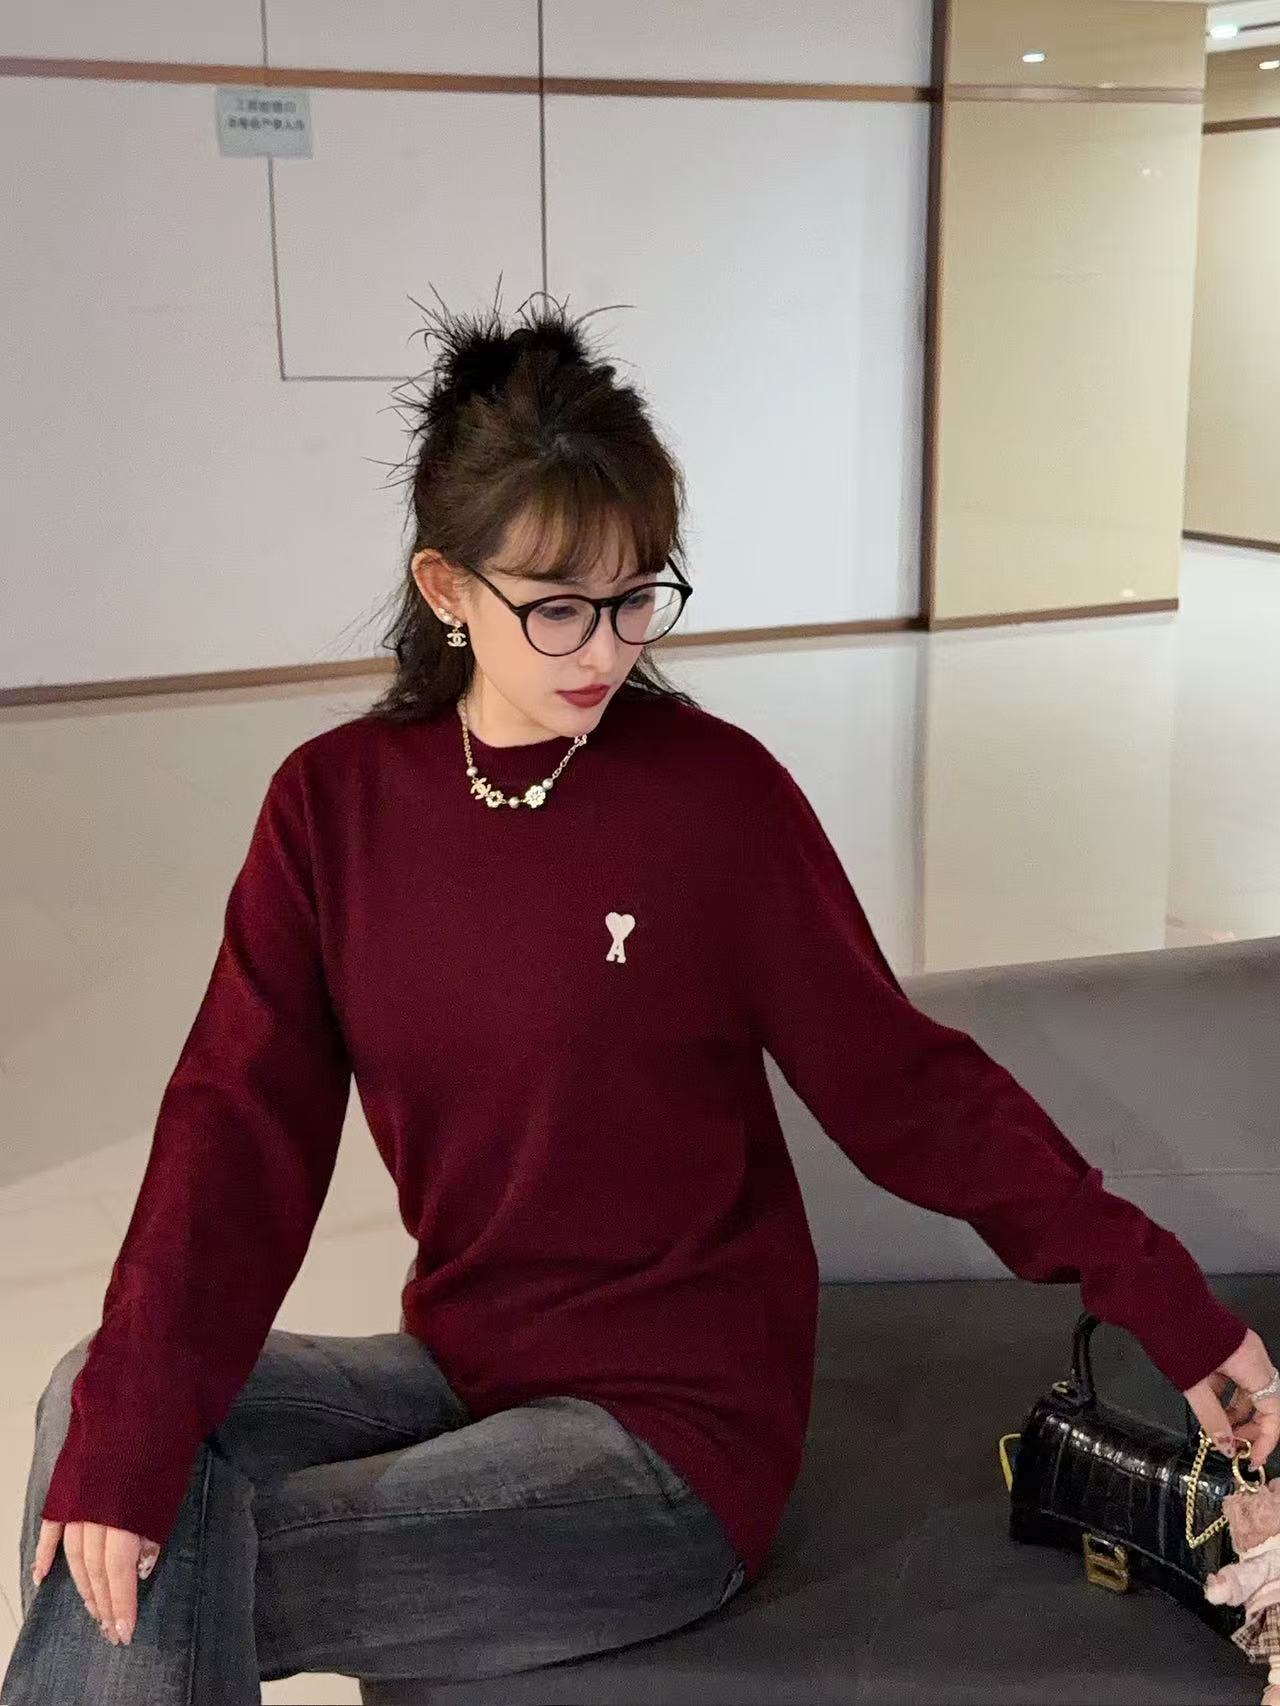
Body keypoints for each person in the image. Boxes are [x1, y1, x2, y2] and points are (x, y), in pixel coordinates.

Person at [4, 291, 1278, 1705]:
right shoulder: (332, 809)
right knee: (96, 1413)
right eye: (556, 608)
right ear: (445, 588)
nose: (606, 650)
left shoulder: (718, 800)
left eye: (633, 596)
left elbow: (909, 1089)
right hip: (464, 1367)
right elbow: (234, 1131)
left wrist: (1162, 1294)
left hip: (667, 1444)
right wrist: (134, 1424)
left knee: (140, 1572)